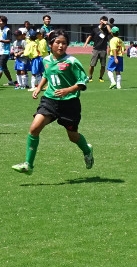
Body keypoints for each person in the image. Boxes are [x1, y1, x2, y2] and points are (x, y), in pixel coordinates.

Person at [12, 30, 93, 175]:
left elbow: (82, 81)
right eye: (58, 43)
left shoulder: (72, 61)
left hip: (69, 103)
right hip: (50, 100)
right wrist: (39, 87)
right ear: (51, 44)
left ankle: (87, 150)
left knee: (72, 136)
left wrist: (68, 90)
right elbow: (47, 74)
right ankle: (28, 165)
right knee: (34, 129)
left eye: (64, 43)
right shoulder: (46, 60)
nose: (61, 46)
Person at [84, 15, 111, 82]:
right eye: (102, 20)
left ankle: (101, 77)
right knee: (92, 64)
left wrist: (107, 24)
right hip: (96, 49)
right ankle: (90, 77)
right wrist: (86, 43)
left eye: (104, 21)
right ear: (100, 21)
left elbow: (110, 32)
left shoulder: (106, 29)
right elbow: (90, 36)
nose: (103, 22)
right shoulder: (95, 29)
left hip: (103, 49)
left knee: (103, 65)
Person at [0, 15, 16, 86]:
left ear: (4, 22)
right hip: (0, 50)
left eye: (0, 21)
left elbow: (9, 40)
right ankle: (10, 81)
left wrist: (1, 40)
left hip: (5, 52)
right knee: (4, 67)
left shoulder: (7, 30)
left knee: (1, 67)